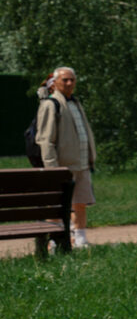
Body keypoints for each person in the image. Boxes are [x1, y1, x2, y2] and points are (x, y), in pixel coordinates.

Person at [33, 66, 97, 249]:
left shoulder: (75, 103)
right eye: (65, 80)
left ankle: (80, 239)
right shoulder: (50, 104)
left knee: (80, 202)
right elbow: (45, 140)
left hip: (81, 163)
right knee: (56, 205)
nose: (69, 83)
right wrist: (52, 169)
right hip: (62, 167)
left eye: (72, 80)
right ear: (54, 83)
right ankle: (54, 241)